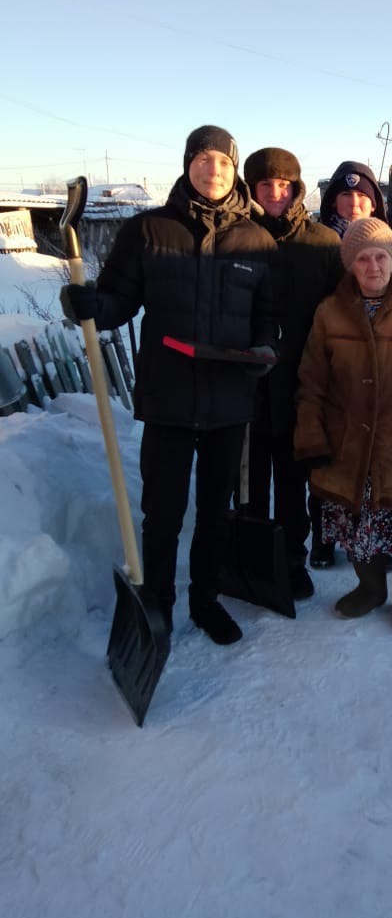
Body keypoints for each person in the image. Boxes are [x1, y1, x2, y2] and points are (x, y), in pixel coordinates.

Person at [61, 125, 278, 645]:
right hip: (168, 397)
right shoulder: (148, 230)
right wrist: (92, 306)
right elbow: (118, 300)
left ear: (234, 171)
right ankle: (156, 605)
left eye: (223, 163)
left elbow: (267, 319)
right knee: (162, 512)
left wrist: (268, 349)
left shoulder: (259, 241)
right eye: (203, 160)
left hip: (229, 399)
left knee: (214, 512)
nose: (213, 171)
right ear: (187, 165)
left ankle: (205, 601)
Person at [294, 217, 392, 637]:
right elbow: (310, 383)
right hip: (346, 440)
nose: (372, 266)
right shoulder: (329, 313)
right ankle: (370, 589)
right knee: (353, 519)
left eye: (380, 257)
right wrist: (312, 435)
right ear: (350, 264)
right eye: (362, 258)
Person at [242, 146, 343, 599]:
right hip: (245, 382)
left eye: (285, 185)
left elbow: (339, 315)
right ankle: (251, 559)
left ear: (298, 188)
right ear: (252, 189)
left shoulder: (323, 244)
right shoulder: (235, 238)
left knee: (292, 477)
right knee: (246, 478)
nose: (276, 193)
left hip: (300, 384)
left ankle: (291, 560)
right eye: (266, 185)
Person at [309, 160, 388, 566]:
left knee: (372, 454)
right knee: (327, 450)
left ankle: (370, 533)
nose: (353, 202)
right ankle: (323, 536)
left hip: (375, 362)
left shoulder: (387, 244)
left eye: (362, 196)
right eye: (345, 194)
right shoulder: (318, 242)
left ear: (373, 204)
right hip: (329, 357)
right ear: (332, 201)